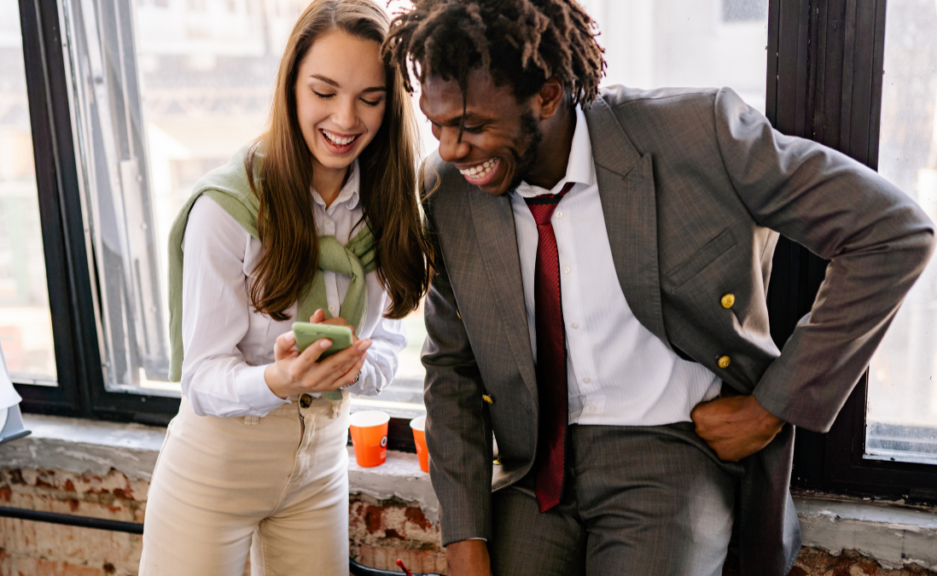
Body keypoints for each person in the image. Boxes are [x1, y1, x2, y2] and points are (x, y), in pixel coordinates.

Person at [382, 0, 935, 575]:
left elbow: (893, 233)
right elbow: (452, 369)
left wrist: (772, 406)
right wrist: (464, 537)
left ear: (546, 96)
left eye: (471, 127)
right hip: (532, 470)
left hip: (671, 451)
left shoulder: (699, 134)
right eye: (436, 125)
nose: (450, 149)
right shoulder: (447, 190)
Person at [139, 1, 431, 574]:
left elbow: (388, 344)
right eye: (324, 92)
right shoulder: (228, 208)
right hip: (217, 468)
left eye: (370, 98)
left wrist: (349, 366)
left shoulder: (386, 207)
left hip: (319, 466)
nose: (346, 118)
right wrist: (279, 380)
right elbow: (202, 377)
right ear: (291, 86)